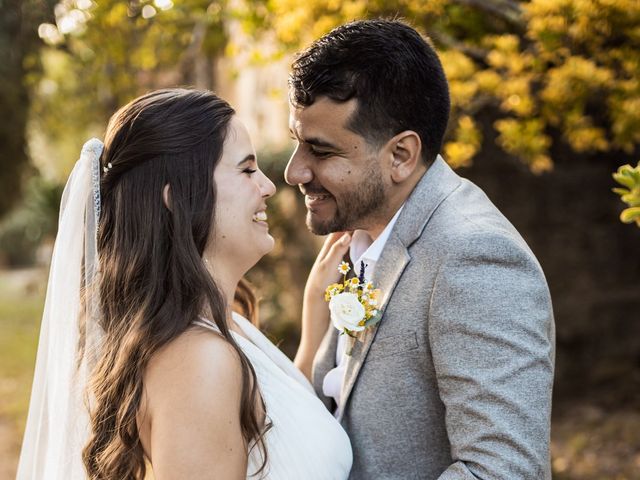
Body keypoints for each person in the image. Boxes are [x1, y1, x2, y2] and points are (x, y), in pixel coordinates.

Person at [17, 88, 352, 479]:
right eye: (246, 170)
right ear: (177, 199)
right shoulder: (198, 362)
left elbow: (284, 445)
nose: (268, 186)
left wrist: (312, 321)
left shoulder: (220, 328)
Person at [286, 19, 555, 479]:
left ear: (401, 156)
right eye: (297, 143)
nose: (295, 172)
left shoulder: (475, 257)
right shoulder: (361, 235)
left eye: (321, 151)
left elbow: (502, 471)